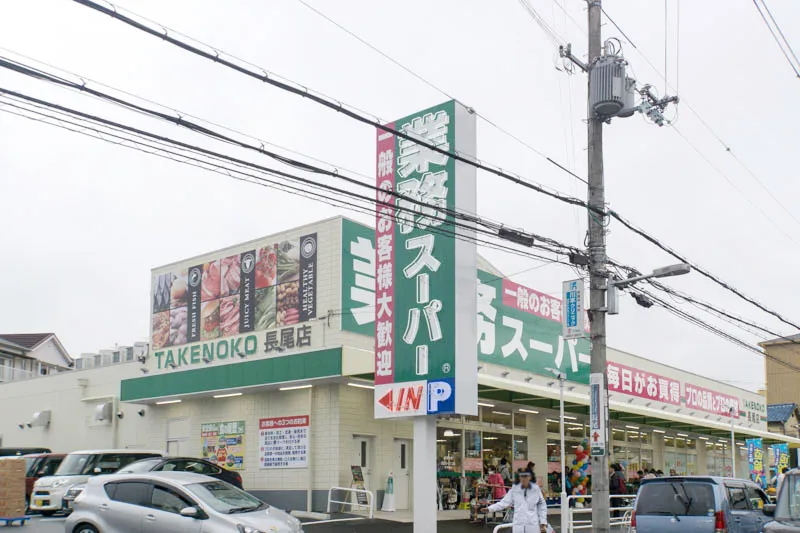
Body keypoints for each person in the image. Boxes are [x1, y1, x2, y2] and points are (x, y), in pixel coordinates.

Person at [481, 471, 548, 533]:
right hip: (518, 524)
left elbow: (542, 506)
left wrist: (543, 522)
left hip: (532, 524)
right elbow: (503, 503)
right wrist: (489, 509)